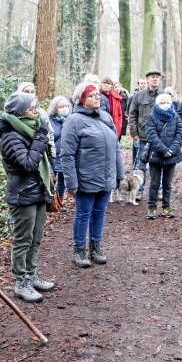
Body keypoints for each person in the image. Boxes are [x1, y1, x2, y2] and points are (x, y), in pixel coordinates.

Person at [0, 92, 56, 303]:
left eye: (37, 107)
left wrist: (40, 138)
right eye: (31, 108)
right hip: (22, 194)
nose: (36, 111)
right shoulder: (11, 136)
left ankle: (32, 274)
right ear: (19, 112)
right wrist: (40, 138)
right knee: (23, 240)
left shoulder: (30, 128)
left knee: (35, 238)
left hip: (37, 191)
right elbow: (28, 164)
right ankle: (21, 282)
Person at [61, 82, 124, 268]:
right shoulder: (74, 121)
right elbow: (67, 154)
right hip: (85, 178)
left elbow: (116, 148)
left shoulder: (106, 117)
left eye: (98, 94)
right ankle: (79, 249)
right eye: (92, 95)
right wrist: (71, 182)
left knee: (99, 213)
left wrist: (119, 173)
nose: (97, 97)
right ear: (81, 99)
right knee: (83, 214)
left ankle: (95, 247)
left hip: (105, 177)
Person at [145, 93, 182, 219]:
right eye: (162, 102)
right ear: (157, 104)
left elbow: (180, 134)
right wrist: (163, 150)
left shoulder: (176, 117)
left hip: (171, 156)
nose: (165, 104)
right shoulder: (151, 117)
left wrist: (172, 150)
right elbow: (151, 135)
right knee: (154, 183)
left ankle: (166, 207)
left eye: (166, 102)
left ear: (171, 103)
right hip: (156, 155)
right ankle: (151, 208)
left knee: (167, 183)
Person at [128, 70, 161, 200]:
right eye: (152, 77)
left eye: (157, 77)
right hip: (143, 136)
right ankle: (139, 190)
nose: (155, 79)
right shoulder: (139, 96)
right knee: (141, 165)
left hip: (159, 137)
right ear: (147, 80)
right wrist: (134, 133)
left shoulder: (163, 96)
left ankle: (159, 190)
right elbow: (132, 115)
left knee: (158, 165)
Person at [16, 81, 55, 157]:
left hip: (43, 152)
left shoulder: (42, 112)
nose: (30, 94)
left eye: (32, 92)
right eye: (26, 92)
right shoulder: (15, 111)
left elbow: (50, 133)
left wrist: (52, 155)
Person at [48, 95, 71, 203]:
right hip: (53, 155)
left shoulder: (71, 119)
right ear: (55, 108)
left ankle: (58, 202)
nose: (64, 108)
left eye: (66, 106)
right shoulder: (49, 120)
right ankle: (48, 201)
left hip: (65, 155)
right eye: (61, 106)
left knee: (62, 181)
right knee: (51, 180)